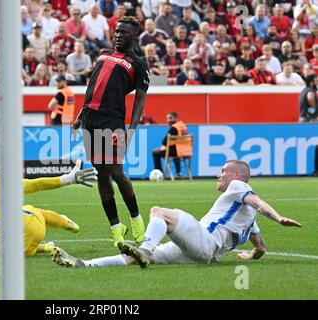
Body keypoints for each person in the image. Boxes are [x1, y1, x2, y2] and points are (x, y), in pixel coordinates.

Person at [52, 160, 302, 268]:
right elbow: (261, 248)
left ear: (237, 176)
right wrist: (249, 256)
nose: (219, 174)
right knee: (130, 259)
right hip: (201, 255)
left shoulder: (239, 187)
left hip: (205, 242)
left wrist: (278, 217)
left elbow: (257, 202)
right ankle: (84, 264)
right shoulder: (248, 220)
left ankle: (145, 249)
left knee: (159, 212)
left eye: (224, 170)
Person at [72, 16, 150, 246]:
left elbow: (139, 100)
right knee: (102, 173)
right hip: (90, 118)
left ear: (134, 37)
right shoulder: (103, 53)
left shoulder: (138, 64)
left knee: (116, 172)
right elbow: (92, 87)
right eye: (117, 31)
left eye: (124, 32)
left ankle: (136, 221)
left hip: (112, 121)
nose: (118, 35)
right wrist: (80, 114)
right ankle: (116, 228)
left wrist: (132, 128)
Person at [152, 112, 188, 178]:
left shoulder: (173, 128)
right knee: (173, 149)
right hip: (185, 151)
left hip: (176, 152)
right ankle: (179, 173)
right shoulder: (183, 126)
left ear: (176, 118)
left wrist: (165, 146)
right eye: (167, 118)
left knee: (155, 152)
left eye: (170, 118)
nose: (168, 120)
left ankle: (159, 174)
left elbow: (164, 142)